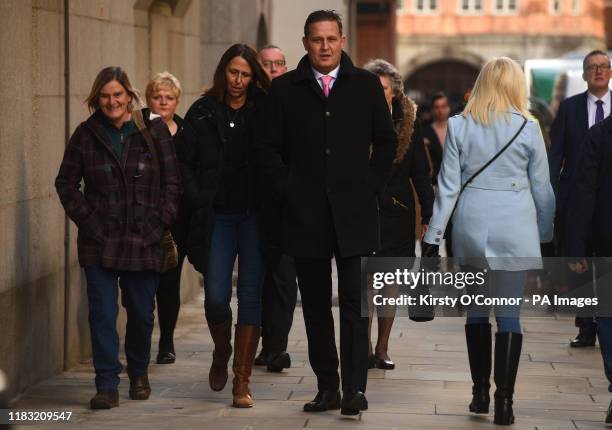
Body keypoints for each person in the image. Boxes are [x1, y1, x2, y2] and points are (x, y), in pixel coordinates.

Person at [255, 10, 397, 416]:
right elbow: (266, 149)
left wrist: (369, 185)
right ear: (305, 43)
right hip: (305, 216)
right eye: (317, 39)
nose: (324, 46)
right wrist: (288, 190)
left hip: (354, 215)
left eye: (331, 39)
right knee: (316, 306)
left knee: (354, 304)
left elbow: (386, 143)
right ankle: (327, 387)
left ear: (342, 41)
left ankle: (354, 389)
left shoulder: (366, 85)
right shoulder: (285, 90)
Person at [421, 57, 555, 425]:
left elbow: (448, 187)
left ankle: (480, 393)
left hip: (472, 223)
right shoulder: (529, 128)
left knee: (477, 312)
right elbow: (542, 188)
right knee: (509, 314)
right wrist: (545, 234)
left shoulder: (459, 125)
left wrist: (433, 236)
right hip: (515, 224)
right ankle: (505, 403)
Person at [55, 66, 181, 409]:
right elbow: (65, 183)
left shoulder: (153, 128)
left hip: (145, 239)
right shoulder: (86, 134)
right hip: (100, 241)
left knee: (141, 313)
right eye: (105, 96)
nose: (112, 101)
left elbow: (173, 184)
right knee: (102, 314)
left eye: (118, 94)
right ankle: (106, 385)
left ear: (129, 95)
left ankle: (138, 371)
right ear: (97, 99)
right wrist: (90, 223)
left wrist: (160, 223)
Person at [177, 43, 270, 408]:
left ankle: (241, 381)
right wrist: (199, 196)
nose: (238, 80)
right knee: (216, 295)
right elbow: (184, 161)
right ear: (223, 72)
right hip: (216, 215)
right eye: (233, 72)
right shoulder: (202, 111)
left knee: (250, 295)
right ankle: (222, 349)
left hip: (255, 216)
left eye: (246, 74)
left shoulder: (263, 110)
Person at [362, 59, 434, 370]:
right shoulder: (355, 119)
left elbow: (421, 171)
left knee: (389, 282)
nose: (378, 95)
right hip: (364, 208)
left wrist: (429, 213)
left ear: (395, 92)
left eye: (384, 89)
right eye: (373, 89)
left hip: (398, 212)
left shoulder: (409, 121)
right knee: (365, 280)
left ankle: (382, 347)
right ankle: (362, 347)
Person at [549, 50, 612, 348]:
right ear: (585, 74)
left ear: (610, 72)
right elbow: (556, 153)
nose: (598, 71)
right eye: (592, 67)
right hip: (576, 196)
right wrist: (552, 192)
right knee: (580, 259)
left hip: (608, 199)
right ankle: (586, 324)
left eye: (604, 66)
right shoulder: (570, 108)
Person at [565, 110, 612, 425]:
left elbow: (582, 193)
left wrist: (576, 248)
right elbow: (583, 193)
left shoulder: (600, 134)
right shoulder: (600, 135)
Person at [254, 45, 297, 372]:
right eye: (266, 64)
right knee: (257, 280)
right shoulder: (249, 101)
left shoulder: (295, 97)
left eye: (278, 64)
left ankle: (276, 347)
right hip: (253, 206)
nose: (273, 69)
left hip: (288, 205)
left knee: (283, 278)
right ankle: (258, 344)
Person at [144, 71, 186, 365]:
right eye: (157, 97)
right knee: (141, 284)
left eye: (169, 98)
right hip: (142, 218)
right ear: (149, 100)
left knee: (170, 283)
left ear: (176, 101)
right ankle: (140, 338)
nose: (163, 102)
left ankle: (167, 341)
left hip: (176, 221)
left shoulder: (185, 132)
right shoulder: (137, 130)